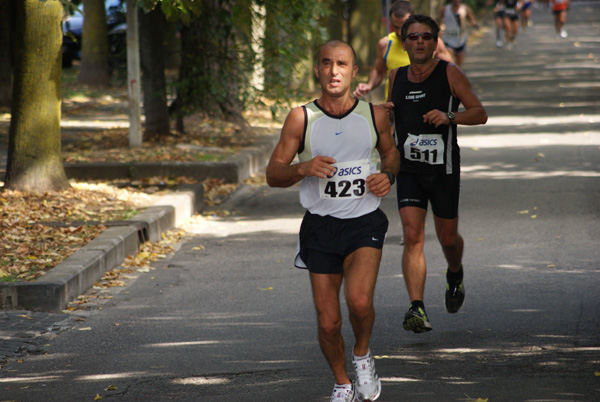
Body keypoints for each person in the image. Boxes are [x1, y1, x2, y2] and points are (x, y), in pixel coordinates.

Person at [266, 40, 400, 402]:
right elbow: (273, 174)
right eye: (327, 63)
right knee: (328, 322)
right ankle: (342, 383)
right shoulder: (301, 117)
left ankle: (361, 355)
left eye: (342, 64)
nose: (334, 71)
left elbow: (391, 156)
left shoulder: (374, 115)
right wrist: (303, 167)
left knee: (358, 302)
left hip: (364, 222)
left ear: (354, 71)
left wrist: (387, 175)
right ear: (317, 70)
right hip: (320, 227)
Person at [387, 15, 487, 333]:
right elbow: (390, 118)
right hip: (409, 169)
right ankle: (416, 307)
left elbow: (480, 113)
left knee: (447, 238)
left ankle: (454, 273)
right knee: (412, 236)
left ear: (435, 41)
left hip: (443, 169)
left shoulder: (450, 73)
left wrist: (449, 116)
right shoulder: (396, 76)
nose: (419, 42)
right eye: (413, 37)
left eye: (426, 37)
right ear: (404, 43)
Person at [353, 0, 453, 100]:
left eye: (404, 26)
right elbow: (379, 72)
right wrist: (369, 85)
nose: (400, 32)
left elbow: (452, 71)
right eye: (395, 27)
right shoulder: (385, 44)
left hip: (427, 103)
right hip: (396, 106)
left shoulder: (429, 42)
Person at [436, 0, 479, 67]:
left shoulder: (465, 9)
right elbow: (438, 20)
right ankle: (449, 74)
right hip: (448, 39)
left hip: (460, 39)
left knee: (459, 65)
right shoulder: (445, 9)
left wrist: (474, 24)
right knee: (448, 62)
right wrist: (439, 29)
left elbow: (472, 20)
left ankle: (456, 75)